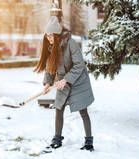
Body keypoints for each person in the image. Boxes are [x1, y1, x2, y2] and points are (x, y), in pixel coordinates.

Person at [34, 16, 95, 152]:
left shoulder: (70, 43)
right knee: (58, 108)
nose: (48, 38)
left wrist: (66, 79)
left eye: (51, 35)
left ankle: (89, 141)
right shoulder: (51, 47)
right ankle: (57, 138)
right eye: (47, 36)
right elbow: (50, 67)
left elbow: (79, 64)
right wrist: (48, 83)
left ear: (56, 34)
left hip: (78, 81)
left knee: (83, 111)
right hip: (63, 82)